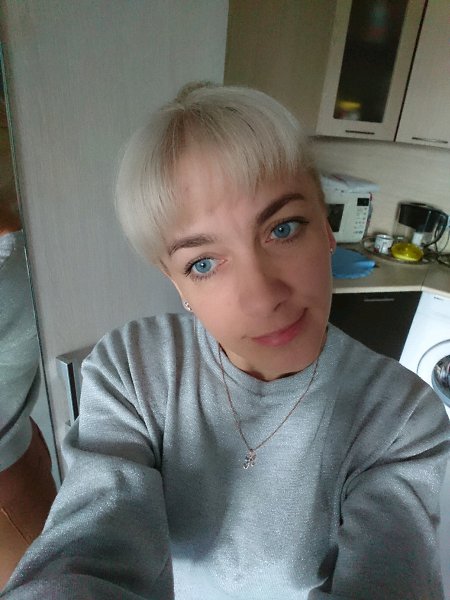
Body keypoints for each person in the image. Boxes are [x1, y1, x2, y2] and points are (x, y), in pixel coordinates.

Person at [1, 83, 449, 599]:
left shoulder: (400, 419)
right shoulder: (135, 370)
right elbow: (88, 547)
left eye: (283, 229)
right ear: (176, 282)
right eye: (203, 263)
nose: (263, 298)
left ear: (327, 228)